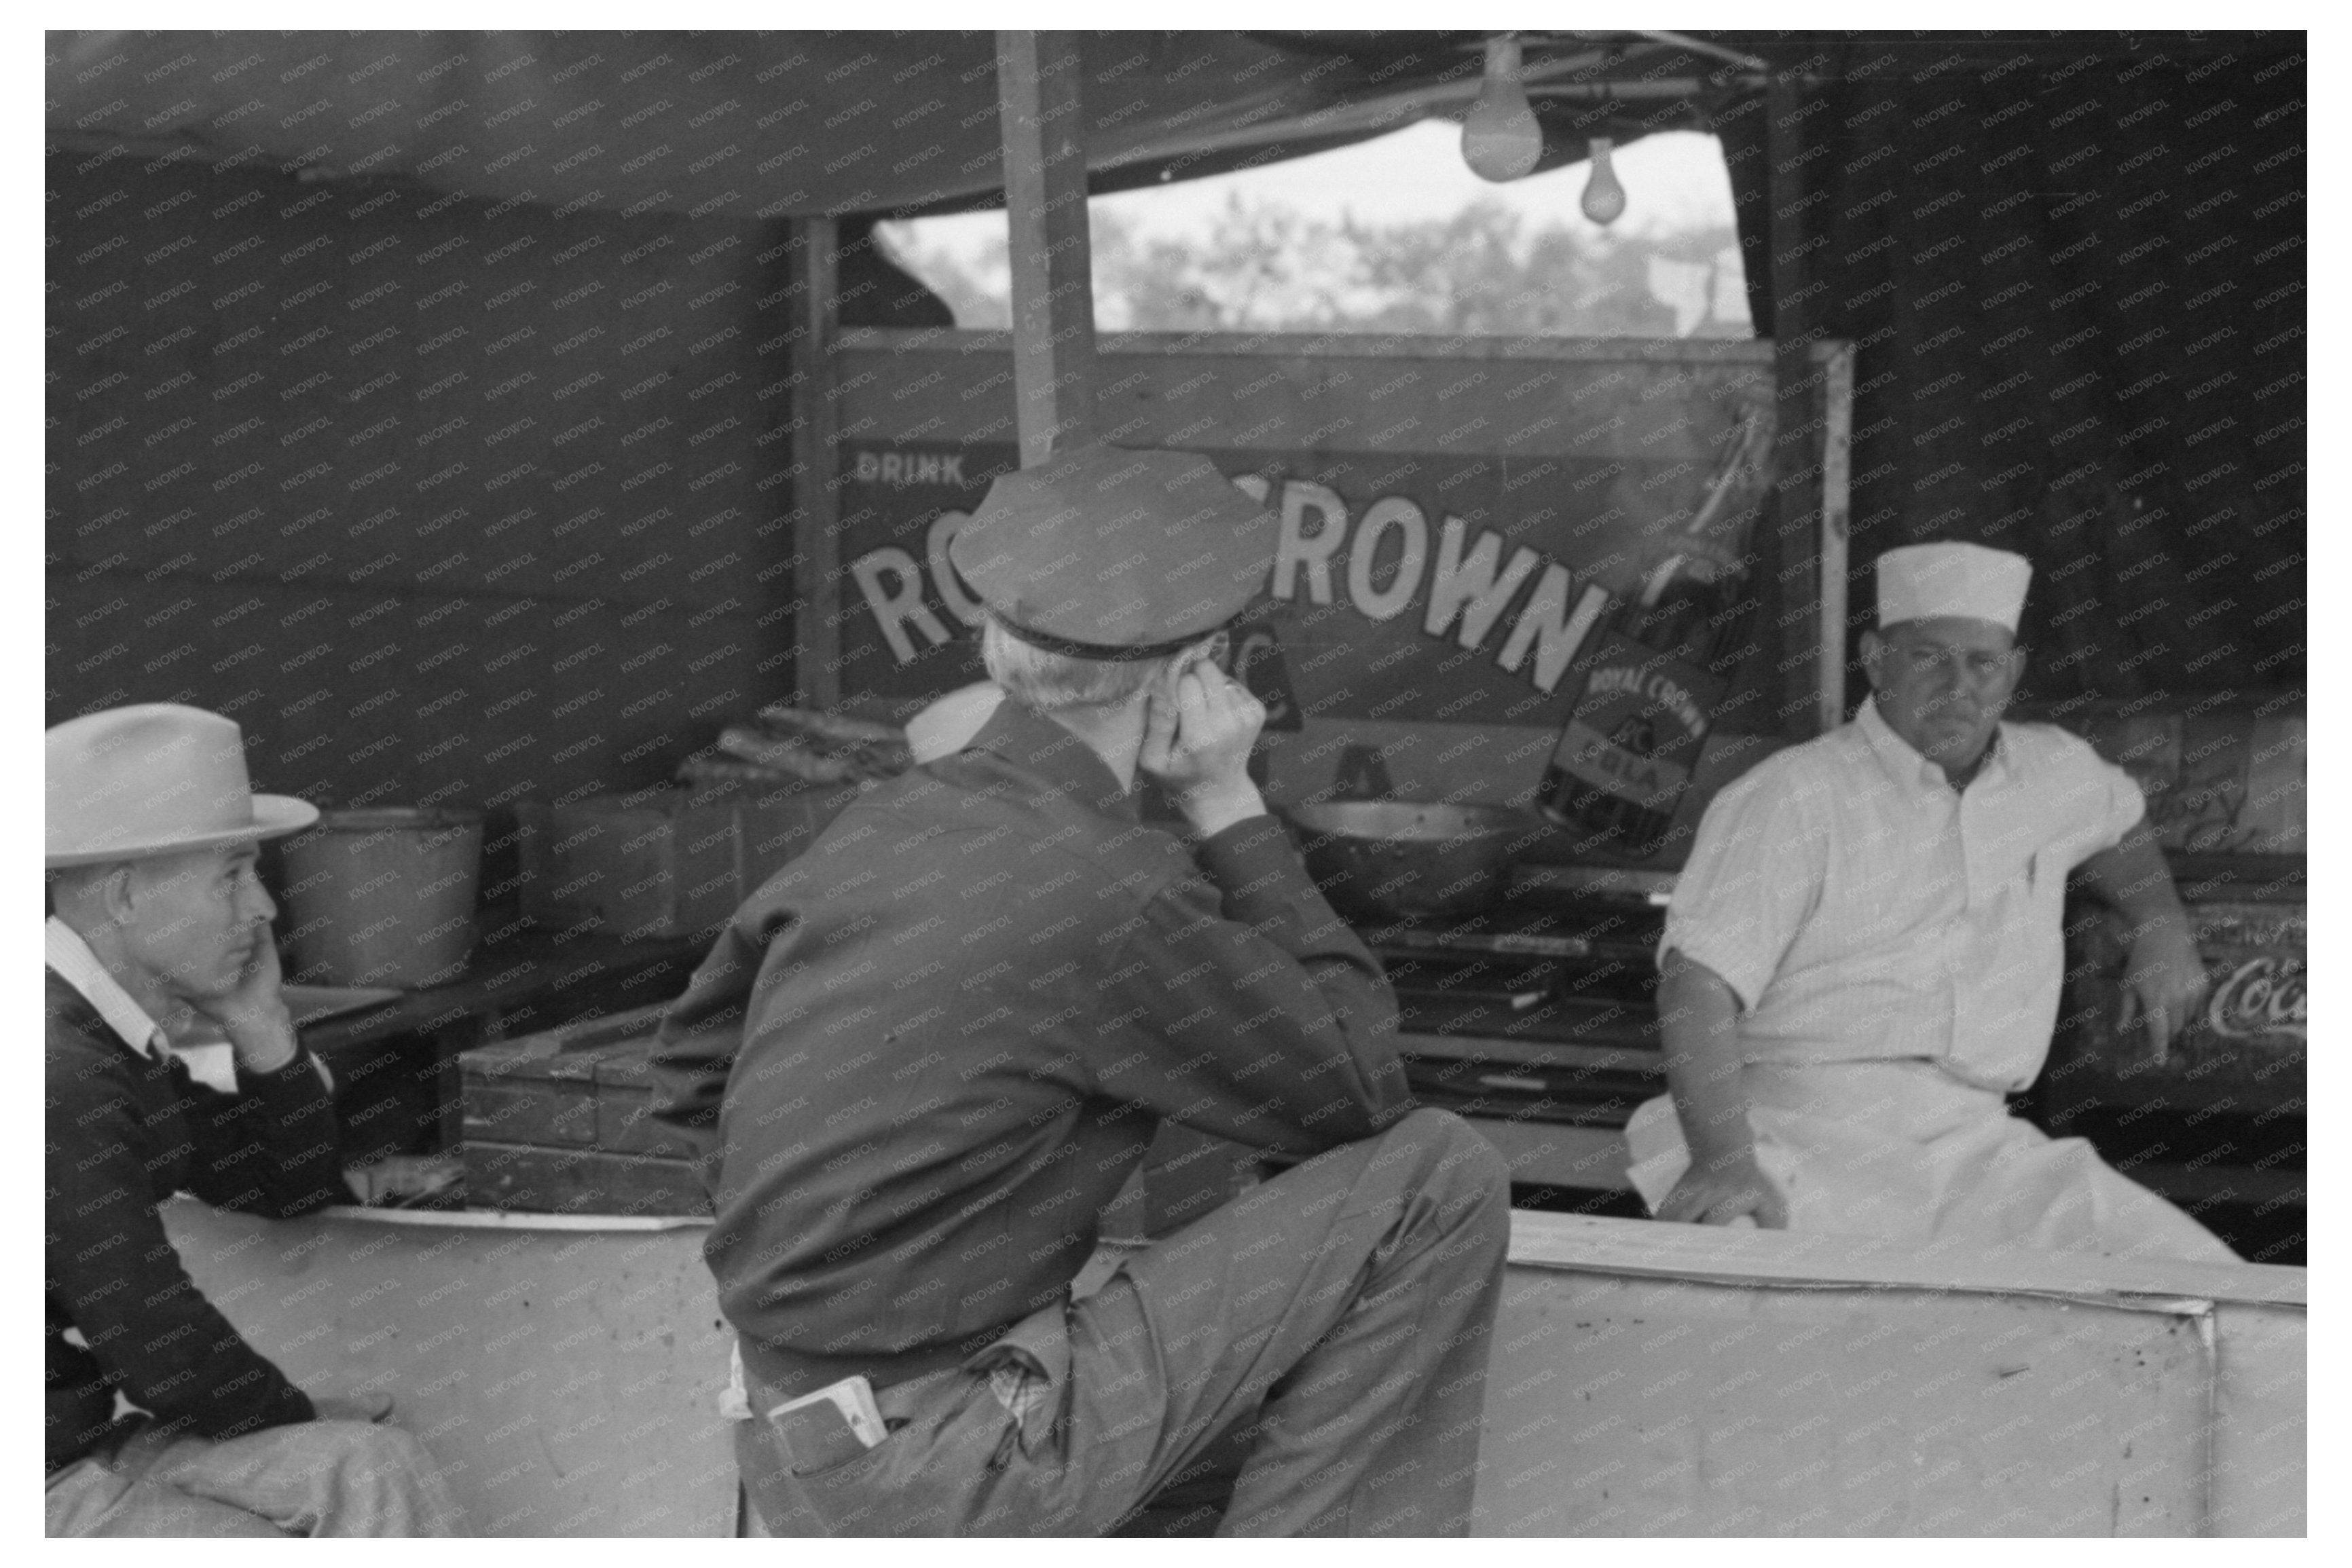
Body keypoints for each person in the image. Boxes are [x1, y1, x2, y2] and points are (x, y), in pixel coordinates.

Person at [650, 441, 1511, 1537]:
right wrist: (1226, 805)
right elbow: (1358, 1085)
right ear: (1195, 665)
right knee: (1439, 1178)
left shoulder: (882, 823)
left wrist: (854, 1273)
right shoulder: (1117, 894)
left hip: (789, 1439)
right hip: (945, 1464)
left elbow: (687, 1074)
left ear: (989, 640)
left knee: (1238, 1436)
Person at [1622, 542, 2234, 1261]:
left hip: (1977, 1150)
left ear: (2012, 672)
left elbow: (2118, 822)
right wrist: (1724, 1160)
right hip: (1792, 1132)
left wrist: (2160, 924)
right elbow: (1696, 986)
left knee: (2209, 1290)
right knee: (1794, 1338)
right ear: (1875, 659)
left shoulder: (2049, 770)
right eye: (1927, 657)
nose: (1957, 685)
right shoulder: (1789, 795)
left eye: (1981, 663)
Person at [45, 703, 464, 1537]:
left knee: (371, 1466)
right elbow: (155, 1340)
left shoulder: (96, 1037)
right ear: (127, 896)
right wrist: (300, 1414)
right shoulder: (57, 1065)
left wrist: (263, 1027)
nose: (265, 907)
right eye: (232, 875)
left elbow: (281, 1184)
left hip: (68, 1441)